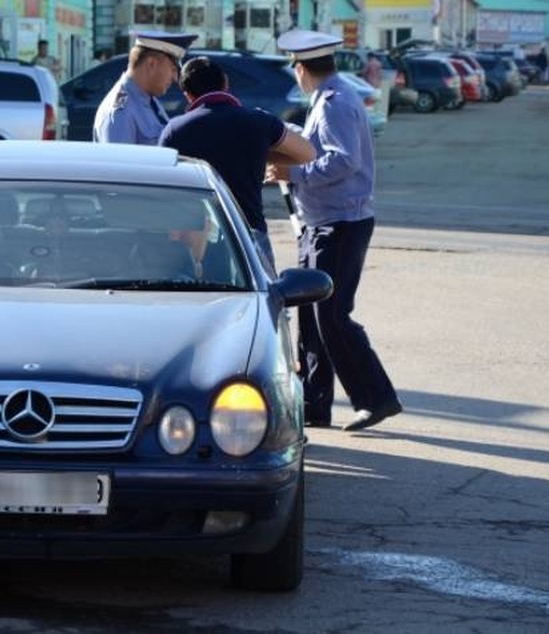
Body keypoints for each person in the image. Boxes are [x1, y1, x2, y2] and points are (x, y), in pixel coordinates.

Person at [266, 29, 401, 432]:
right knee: (311, 315)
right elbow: (321, 148)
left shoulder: (337, 102)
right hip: (321, 220)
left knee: (332, 315)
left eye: (295, 68)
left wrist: (296, 173)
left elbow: (344, 160)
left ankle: (376, 398)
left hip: (341, 223)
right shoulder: (326, 99)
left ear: (301, 67)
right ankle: (314, 403)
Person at [158, 56, 316, 269]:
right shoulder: (258, 121)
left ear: (187, 94)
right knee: (261, 297)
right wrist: (261, 154)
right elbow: (307, 153)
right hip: (250, 232)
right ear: (226, 84)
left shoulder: (175, 131)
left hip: (197, 239)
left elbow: (165, 189)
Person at [93, 31, 198, 145]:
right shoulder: (121, 113)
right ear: (151, 64)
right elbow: (120, 161)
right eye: (172, 69)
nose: (175, 78)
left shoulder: (149, 100)